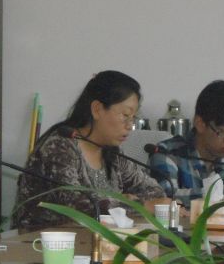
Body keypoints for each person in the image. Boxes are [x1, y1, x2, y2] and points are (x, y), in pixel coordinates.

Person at [14, 70, 166, 229]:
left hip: (95, 240)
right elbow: (81, 207)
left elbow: (155, 192)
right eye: (125, 115)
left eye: (133, 118)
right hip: (39, 241)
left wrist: (123, 202)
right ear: (97, 109)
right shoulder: (58, 148)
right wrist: (138, 205)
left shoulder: (112, 153)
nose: (130, 125)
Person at [149, 80, 224, 204]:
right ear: (200, 124)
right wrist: (217, 194)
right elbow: (164, 201)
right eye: (223, 131)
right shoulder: (167, 154)